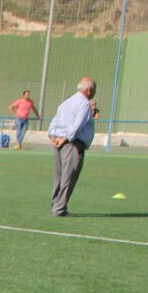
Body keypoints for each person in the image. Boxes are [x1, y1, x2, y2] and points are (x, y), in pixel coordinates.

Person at [46, 77, 97, 217]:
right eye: (94, 90)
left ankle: (55, 203)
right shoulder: (85, 104)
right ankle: (59, 208)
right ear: (89, 89)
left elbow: (55, 121)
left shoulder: (66, 102)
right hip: (72, 143)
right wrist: (65, 139)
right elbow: (77, 125)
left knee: (59, 175)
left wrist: (53, 137)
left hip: (58, 141)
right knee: (69, 176)